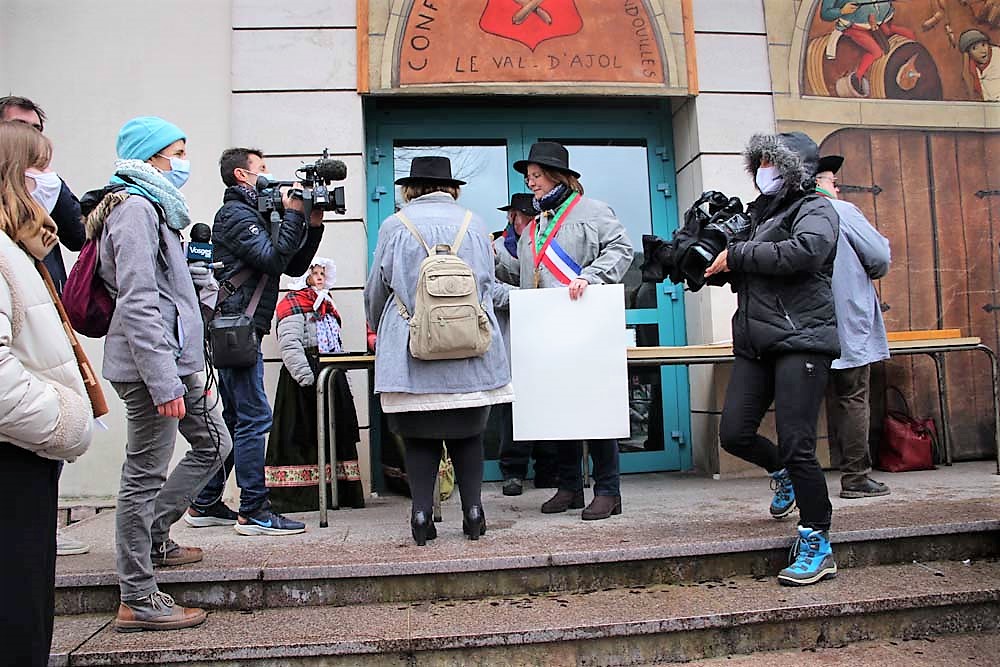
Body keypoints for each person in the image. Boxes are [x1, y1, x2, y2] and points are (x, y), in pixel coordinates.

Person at [94, 116, 232, 631]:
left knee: (214, 444)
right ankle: (137, 595)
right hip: (152, 368)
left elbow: (169, 292)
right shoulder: (133, 208)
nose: (183, 161)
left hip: (177, 362)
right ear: (151, 157)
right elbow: (138, 300)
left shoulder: (157, 207)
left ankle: (155, 536)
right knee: (143, 475)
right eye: (177, 152)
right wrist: (162, 380)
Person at [704, 131, 840, 586]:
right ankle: (779, 471)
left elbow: (807, 252)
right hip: (756, 342)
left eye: (772, 162)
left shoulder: (816, 207)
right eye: (760, 162)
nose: (764, 170)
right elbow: (750, 265)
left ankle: (817, 540)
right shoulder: (760, 213)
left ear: (792, 168)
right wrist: (707, 262)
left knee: (799, 442)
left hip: (802, 339)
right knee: (734, 433)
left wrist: (739, 254)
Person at [365, 156, 513, 546]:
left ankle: (421, 515)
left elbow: (377, 288)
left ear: (410, 189)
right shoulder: (475, 224)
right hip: (469, 348)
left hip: (412, 349)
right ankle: (474, 512)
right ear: (452, 188)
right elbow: (486, 286)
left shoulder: (394, 225)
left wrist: (383, 327)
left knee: (419, 437)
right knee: (469, 434)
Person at [186, 148, 324, 536]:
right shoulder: (235, 214)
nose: (270, 175)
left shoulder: (256, 214)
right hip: (236, 328)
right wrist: (294, 213)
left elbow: (294, 264)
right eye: (262, 168)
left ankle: (205, 502)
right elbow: (274, 259)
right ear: (241, 175)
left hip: (242, 327)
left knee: (235, 418)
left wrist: (312, 224)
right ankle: (254, 510)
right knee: (253, 417)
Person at [496, 141, 634, 520]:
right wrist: (494, 259)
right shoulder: (534, 226)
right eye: (529, 178)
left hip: (586, 326)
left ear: (558, 177)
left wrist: (591, 276)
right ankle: (570, 487)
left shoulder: (594, 211)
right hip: (547, 331)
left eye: (536, 176)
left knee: (596, 408)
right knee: (559, 408)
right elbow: (526, 274)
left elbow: (622, 248)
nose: (531, 183)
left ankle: (608, 490)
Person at [0, 120, 93, 666]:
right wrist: (64, 418)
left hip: (27, 452)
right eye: (38, 166)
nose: (49, 179)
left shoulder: (22, 247)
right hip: (14, 452)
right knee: (16, 608)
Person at [815, 155, 892, 499]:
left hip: (801, 328)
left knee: (799, 401)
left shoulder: (785, 215)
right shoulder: (842, 212)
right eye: (833, 182)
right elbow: (880, 258)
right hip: (846, 323)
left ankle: (796, 483)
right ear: (819, 182)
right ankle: (856, 478)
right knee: (852, 396)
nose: (837, 188)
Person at [266, 257, 366, 512]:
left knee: (336, 434)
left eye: (323, 273)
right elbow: (290, 343)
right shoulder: (293, 303)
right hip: (306, 379)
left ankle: (339, 492)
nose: (320, 277)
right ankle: (302, 497)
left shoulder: (326, 303)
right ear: (305, 276)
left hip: (330, 374)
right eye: (315, 273)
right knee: (304, 436)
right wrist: (306, 378)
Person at [493, 192, 559, 496]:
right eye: (525, 217)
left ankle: (548, 468)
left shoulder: (549, 247)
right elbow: (489, 289)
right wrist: (526, 298)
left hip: (546, 338)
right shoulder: (495, 249)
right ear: (512, 217)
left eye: (535, 218)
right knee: (512, 408)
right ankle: (513, 471)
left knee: (548, 402)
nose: (531, 223)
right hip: (512, 336)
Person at [819, 1, 917, 96]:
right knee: (876, 52)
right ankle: (857, 77)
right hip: (855, 27)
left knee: (909, 35)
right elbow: (825, 14)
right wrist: (842, 11)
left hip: (881, 22)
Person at [959, 29, 1000, 102]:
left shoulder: (997, 54)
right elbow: (966, 77)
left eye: (983, 45)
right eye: (974, 48)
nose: (982, 51)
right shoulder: (972, 66)